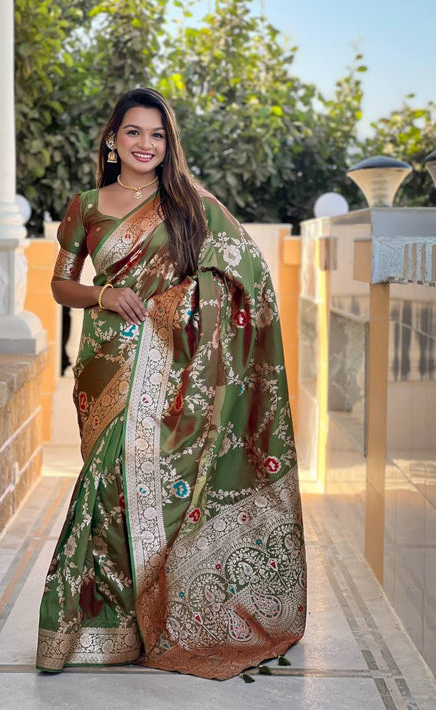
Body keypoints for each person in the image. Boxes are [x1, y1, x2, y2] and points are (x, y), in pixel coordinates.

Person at [37, 88, 306, 680]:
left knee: (162, 484)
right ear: (113, 139)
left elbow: (246, 270)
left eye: (157, 135)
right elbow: (61, 285)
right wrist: (105, 294)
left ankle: (157, 617)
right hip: (107, 361)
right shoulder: (86, 206)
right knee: (107, 482)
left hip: (176, 361)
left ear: (168, 144)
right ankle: (98, 624)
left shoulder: (190, 203)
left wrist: (178, 304)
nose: (146, 144)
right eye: (134, 132)